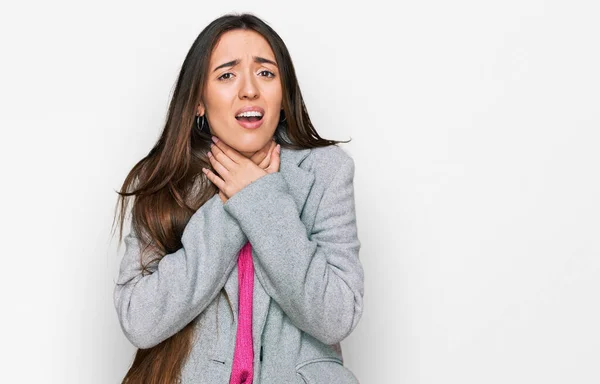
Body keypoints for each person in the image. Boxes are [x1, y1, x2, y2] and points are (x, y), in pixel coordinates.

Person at [112, 12, 364, 384]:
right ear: (199, 101)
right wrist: (235, 203)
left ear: (283, 96)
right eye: (227, 75)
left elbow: (336, 316)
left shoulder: (326, 171)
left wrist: (263, 199)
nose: (249, 89)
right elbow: (140, 321)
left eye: (266, 73)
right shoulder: (164, 181)